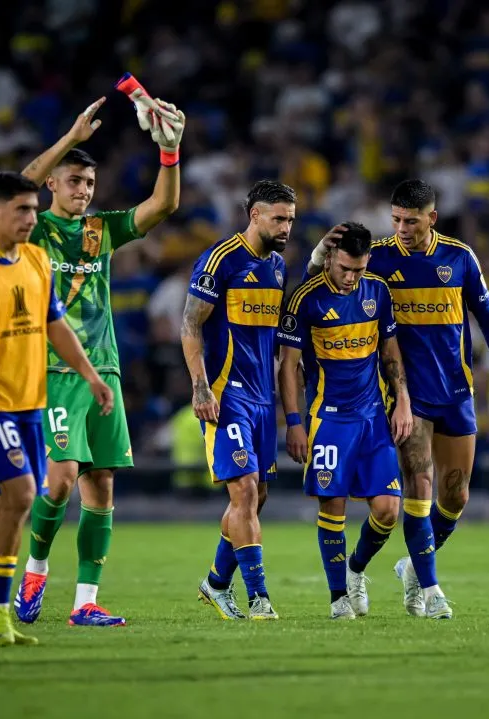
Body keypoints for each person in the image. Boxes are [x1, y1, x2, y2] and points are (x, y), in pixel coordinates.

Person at [307, 179, 489, 619]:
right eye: (397, 220)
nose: (402, 228)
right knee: (418, 489)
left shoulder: (459, 258)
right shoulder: (381, 258)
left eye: (411, 220)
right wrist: (315, 259)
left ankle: (380, 566)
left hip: (456, 392)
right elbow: (330, 287)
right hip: (407, 395)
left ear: (432, 219)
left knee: (456, 496)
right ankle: (430, 589)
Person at [12, 95, 183, 628]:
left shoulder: (100, 230)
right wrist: (70, 138)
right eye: (73, 182)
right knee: (59, 480)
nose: (83, 191)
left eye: (89, 183)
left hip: (104, 370)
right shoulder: (34, 231)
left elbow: (162, 207)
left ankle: (85, 601)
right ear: (52, 186)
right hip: (55, 371)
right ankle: (35, 570)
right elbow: (18, 185)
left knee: (101, 485)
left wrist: (170, 153)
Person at [0, 171, 114, 647]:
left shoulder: (37, 261)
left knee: (13, 508)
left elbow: (56, 327)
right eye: (22, 210)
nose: (31, 219)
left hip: (34, 406)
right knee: (22, 495)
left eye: (34, 210)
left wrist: (93, 376)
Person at [277, 221, 413, 619]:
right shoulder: (306, 298)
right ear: (330, 259)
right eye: (344, 269)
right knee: (332, 507)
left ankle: (355, 570)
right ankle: (339, 598)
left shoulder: (378, 291)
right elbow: (287, 367)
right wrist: (294, 422)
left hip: (373, 417)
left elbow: (389, 351)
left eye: (359, 269)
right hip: (329, 420)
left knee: (388, 509)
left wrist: (401, 399)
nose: (351, 277)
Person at [184, 181, 294, 620]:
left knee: (257, 496)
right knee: (245, 491)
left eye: (290, 218)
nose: (286, 226)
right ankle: (259, 597)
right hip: (227, 396)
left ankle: (215, 583)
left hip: (262, 397)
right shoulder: (220, 260)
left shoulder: (279, 268)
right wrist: (200, 386)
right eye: (278, 218)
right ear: (255, 215)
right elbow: (190, 325)